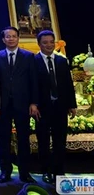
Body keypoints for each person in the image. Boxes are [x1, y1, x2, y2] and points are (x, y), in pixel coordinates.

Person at [0, 26, 39, 184]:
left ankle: (24, 173)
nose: (11, 39)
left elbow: (34, 81)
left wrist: (33, 102)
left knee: (23, 139)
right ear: (3, 39)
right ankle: (5, 172)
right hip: (3, 105)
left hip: (23, 104)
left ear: (18, 38)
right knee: (3, 139)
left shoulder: (29, 57)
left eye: (14, 36)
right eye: (8, 36)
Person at [34, 30, 77, 184]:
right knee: (43, 141)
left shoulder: (61, 61)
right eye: (45, 43)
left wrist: (72, 105)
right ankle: (45, 171)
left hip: (60, 107)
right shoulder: (34, 61)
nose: (48, 45)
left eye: (51, 42)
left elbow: (68, 85)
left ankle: (59, 171)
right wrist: (33, 104)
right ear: (39, 44)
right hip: (42, 109)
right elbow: (31, 86)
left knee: (60, 141)